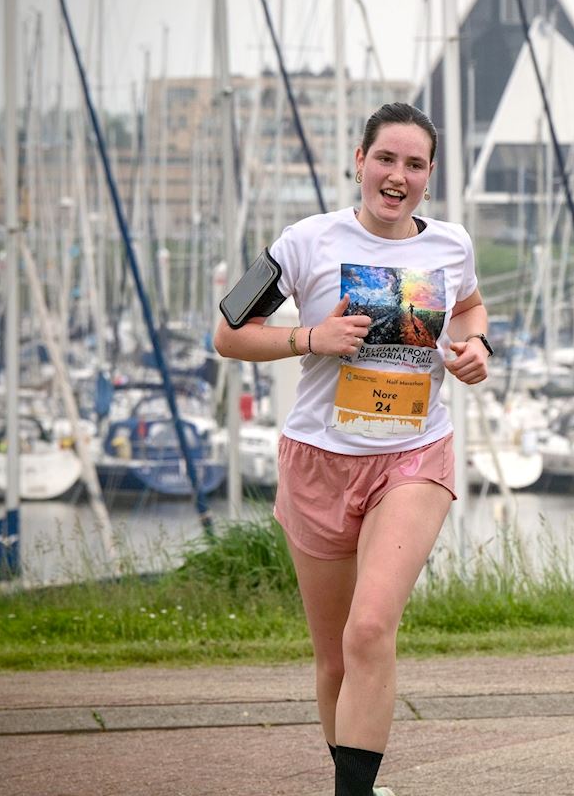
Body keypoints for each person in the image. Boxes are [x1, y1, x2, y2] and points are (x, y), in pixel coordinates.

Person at [214, 102, 492, 796]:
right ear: (360, 162)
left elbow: (471, 305)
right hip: (318, 458)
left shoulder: (450, 244)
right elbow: (228, 333)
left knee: (370, 628)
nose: (398, 176)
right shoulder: (305, 242)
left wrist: (478, 344)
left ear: (429, 175)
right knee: (336, 655)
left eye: (415, 164)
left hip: (413, 456)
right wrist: (309, 338)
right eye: (386, 159)